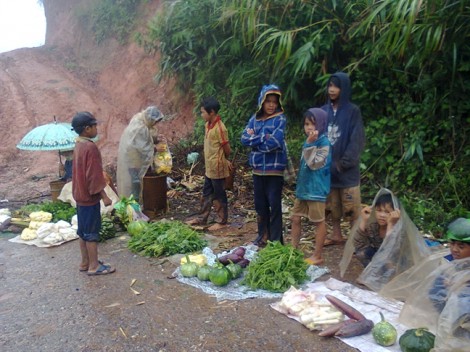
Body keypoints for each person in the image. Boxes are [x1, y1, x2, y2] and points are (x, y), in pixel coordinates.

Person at [390, 218, 470, 351]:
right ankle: (448, 321)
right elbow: (443, 277)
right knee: (437, 286)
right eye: (452, 244)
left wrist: (459, 285)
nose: (455, 249)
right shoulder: (451, 258)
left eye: (461, 246)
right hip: (454, 297)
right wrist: (448, 281)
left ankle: (462, 330)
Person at [339, 188, 430, 291]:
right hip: (381, 257)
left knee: (389, 264)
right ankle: (372, 276)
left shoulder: (400, 230)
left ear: (396, 213)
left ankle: (386, 279)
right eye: (379, 210)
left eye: (387, 212)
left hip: (398, 262)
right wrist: (364, 220)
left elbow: (391, 251)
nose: (382, 215)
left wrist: (390, 224)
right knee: (361, 253)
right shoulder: (374, 226)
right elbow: (358, 244)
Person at [321, 72, 365, 245]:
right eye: (330, 85)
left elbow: (357, 139)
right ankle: (336, 234)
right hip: (327, 169)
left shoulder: (353, 111)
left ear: (344, 88)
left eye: (336, 86)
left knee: (352, 207)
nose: (331, 90)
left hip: (347, 170)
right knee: (332, 206)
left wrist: (344, 163)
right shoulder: (324, 111)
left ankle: (356, 239)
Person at [241, 84, 287, 246]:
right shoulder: (254, 119)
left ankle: (276, 241)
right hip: (258, 170)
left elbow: (274, 143)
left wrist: (257, 139)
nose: (271, 105)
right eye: (268, 102)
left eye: (274, 102)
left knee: (274, 205)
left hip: (274, 170)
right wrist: (264, 136)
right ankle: (263, 235)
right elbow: (244, 139)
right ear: (262, 102)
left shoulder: (280, 119)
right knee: (260, 205)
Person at [71, 111, 115, 276]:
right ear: (87, 128)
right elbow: (93, 176)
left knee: (82, 231)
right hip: (89, 198)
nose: (97, 128)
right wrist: (104, 196)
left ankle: (85, 262)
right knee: (91, 233)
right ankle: (94, 266)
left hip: (79, 196)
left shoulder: (78, 144)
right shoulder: (90, 147)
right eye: (95, 125)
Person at [290, 108, 331, 265]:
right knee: (295, 218)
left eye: (313, 124)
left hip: (316, 190)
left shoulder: (324, 144)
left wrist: (308, 145)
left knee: (318, 221)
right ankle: (293, 249)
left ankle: (317, 255)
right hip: (304, 189)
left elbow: (314, 164)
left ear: (321, 125)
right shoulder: (309, 141)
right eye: (307, 124)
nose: (309, 128)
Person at [186, 97, 232, 231]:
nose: (201, 115)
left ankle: (222, 221)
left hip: (217, 168)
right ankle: (202, 218)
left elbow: (227, 149)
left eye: (203, 112)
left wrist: (224, 159)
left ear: (211, 112)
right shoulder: (207, 125)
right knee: (206, 193)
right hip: (209, 168)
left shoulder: (221, 128)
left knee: (219, 194)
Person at [116, 106, 166, 202]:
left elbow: (146, 138)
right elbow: (142, 146)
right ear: (150, 119)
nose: (155, 124)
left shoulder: (139, 118)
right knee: (136, 182)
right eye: (155, 122)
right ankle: (135, 203)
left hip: (134, 157)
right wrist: (155, 148)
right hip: (133, 158)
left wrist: (156, 138)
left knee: (136, 181)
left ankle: (137, 201)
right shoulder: (140, 128)